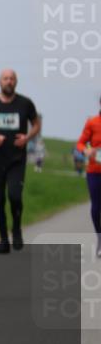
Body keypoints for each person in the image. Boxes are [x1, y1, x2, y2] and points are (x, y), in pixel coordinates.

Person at [0, 69, 41, 254]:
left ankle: (17, 228)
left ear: (16, 82)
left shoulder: (25, 103)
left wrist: (27, 137)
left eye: (12, 78)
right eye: (6, 78)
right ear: (0, 81)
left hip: (16, 159)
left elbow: (36, 124)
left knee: (15, 196)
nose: (9, 81)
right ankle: (4, 240)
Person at [75, 95, 101, 257]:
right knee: (96, 207)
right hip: (95, 171)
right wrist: (86, 151)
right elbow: (80, 143)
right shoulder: (92, 122)